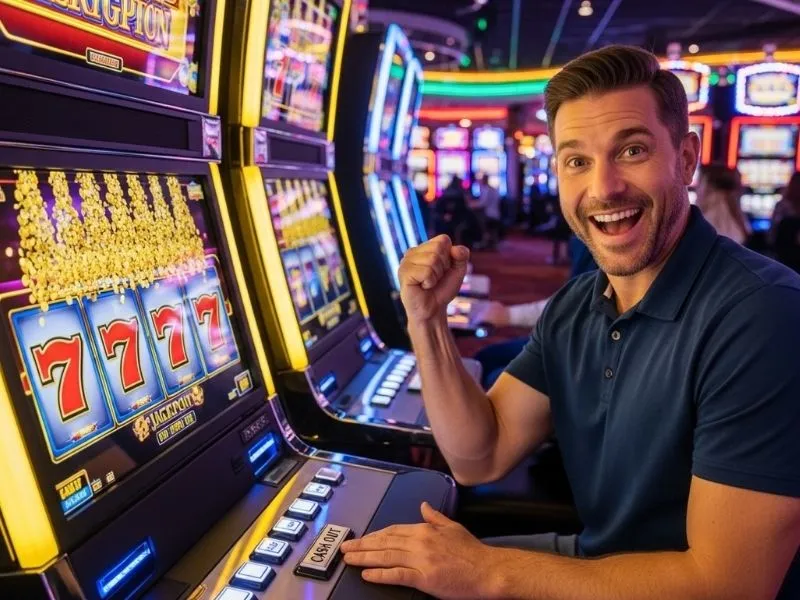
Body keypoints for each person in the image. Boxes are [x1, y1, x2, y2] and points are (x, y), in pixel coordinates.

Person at [341, 45, 800, 600]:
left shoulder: (762, 314)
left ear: (685, 159)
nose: (603, 188)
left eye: (631, 150)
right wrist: (428, 321)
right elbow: (478, 456)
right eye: (577, 160)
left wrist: (487, 570)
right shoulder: (579, 303)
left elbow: (730, 584)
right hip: (603, 560)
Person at [474, 235, 597, 388]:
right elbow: (572, 298)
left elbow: (577, 307)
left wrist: (509, 315)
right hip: (569, 338)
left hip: (585, 353)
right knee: (484, 359)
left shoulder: (604, 248)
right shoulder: (582, 240)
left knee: (495, 379)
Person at [695, 163, 750, 244]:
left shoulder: (707, 216)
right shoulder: (733, 209)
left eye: (700, 181)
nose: (697, 188)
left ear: (708, 185)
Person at [474, 173, 502, 249]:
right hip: (496, 214)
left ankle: (484, 241)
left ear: (484, 180)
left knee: (476, 219)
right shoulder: (492, 189)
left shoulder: (487, 189)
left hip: (490, 215)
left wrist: (471, 204)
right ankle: (490, 242)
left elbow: (483, 204)